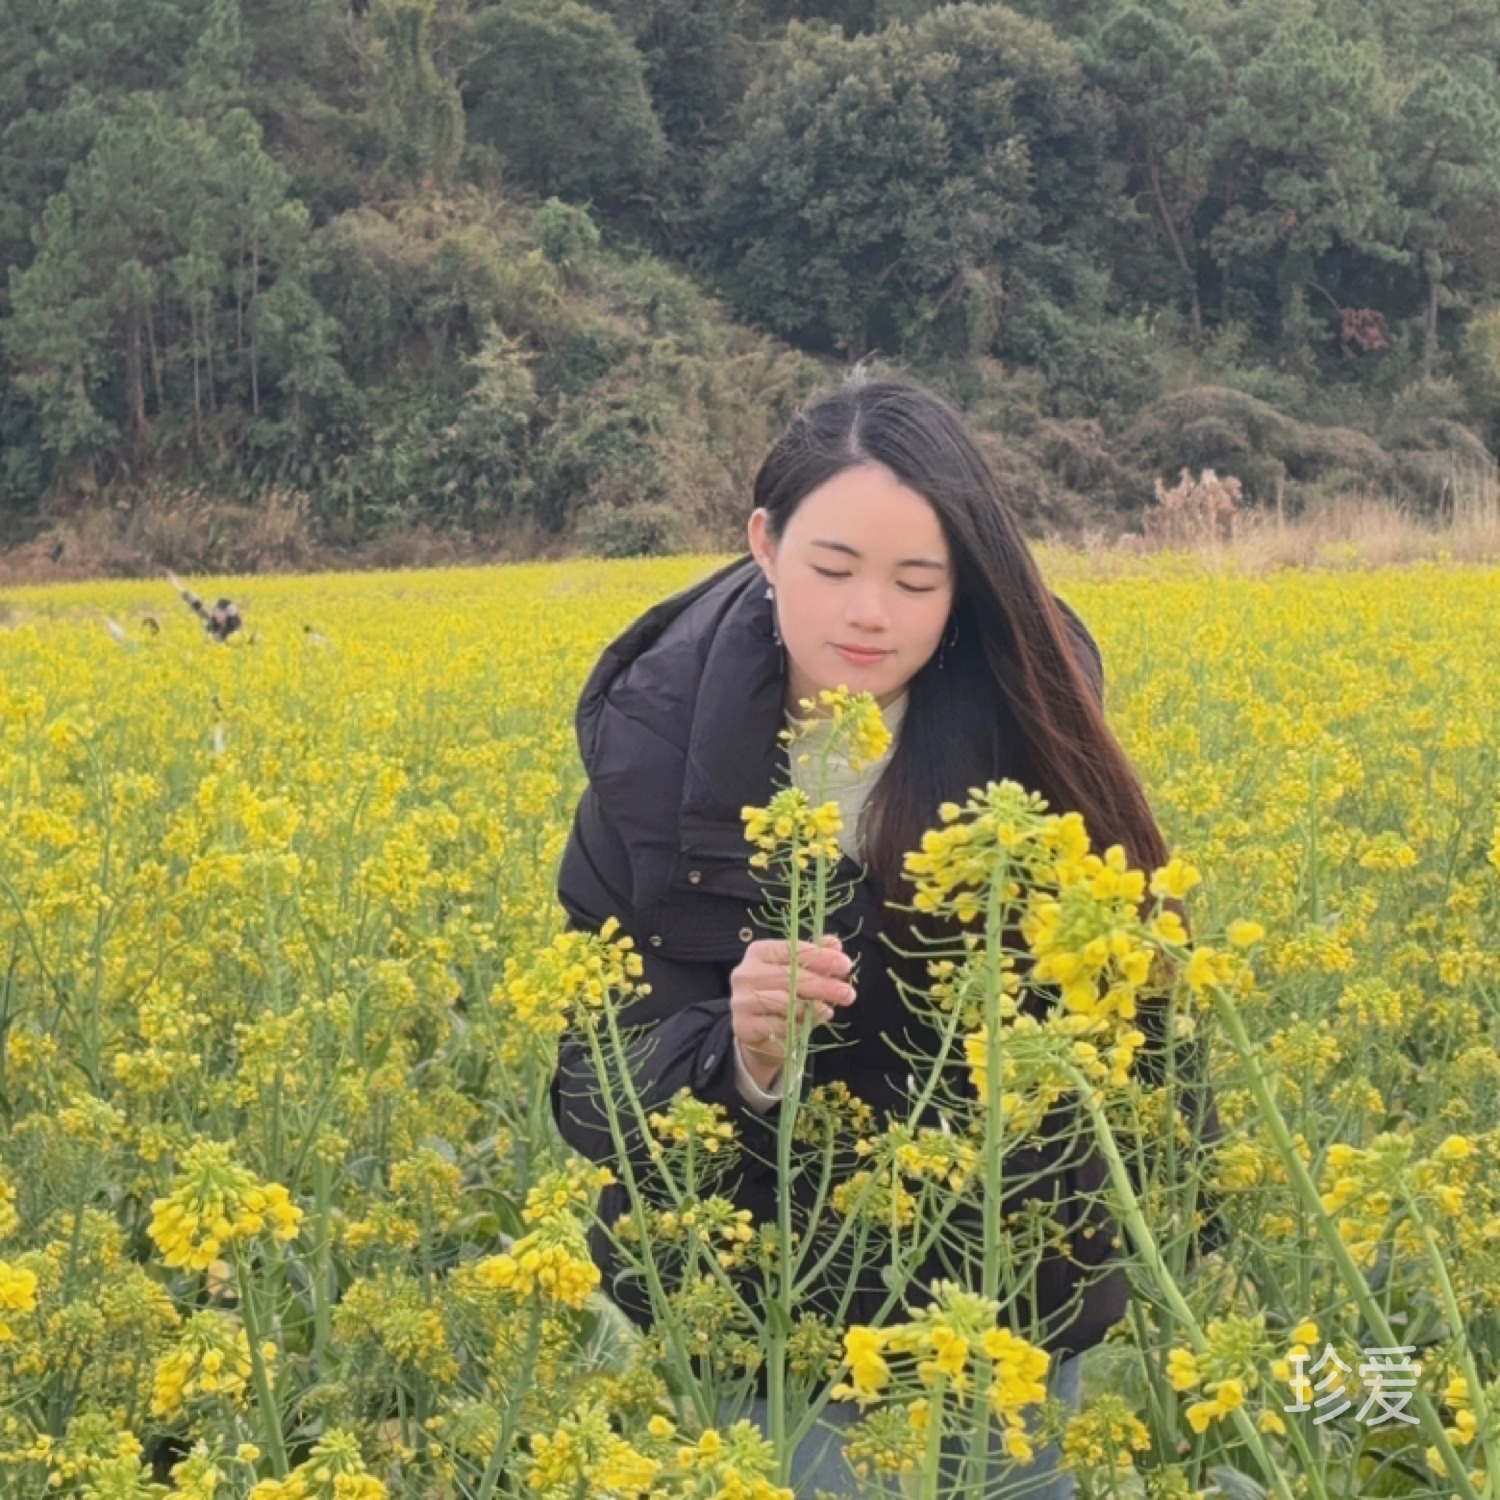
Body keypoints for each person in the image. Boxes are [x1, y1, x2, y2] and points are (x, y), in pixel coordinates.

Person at [551, 376, 1221, 1495]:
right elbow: (590, 1075)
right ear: (764, 545)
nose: (871, 614)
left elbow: (1141, 1038)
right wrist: (742, 1058)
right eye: (832, 570)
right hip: (770, 1298)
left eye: (919, 582)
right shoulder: (649, 759)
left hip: (1005, 1289)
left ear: (966, 588)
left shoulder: (1037, 732)